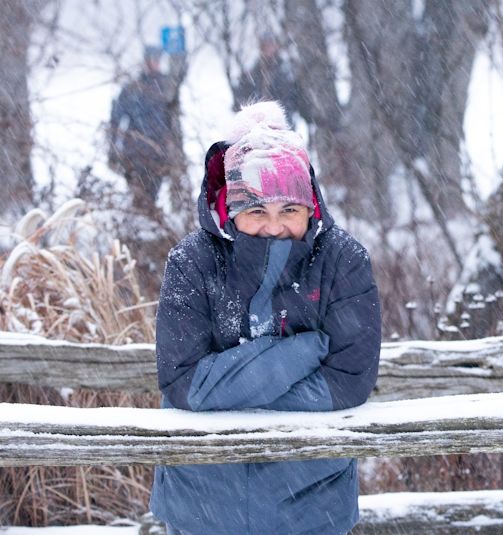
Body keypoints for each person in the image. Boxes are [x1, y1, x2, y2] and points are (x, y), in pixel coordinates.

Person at [149, 100, 381, 535]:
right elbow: (184, 383)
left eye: (289, 210)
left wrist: (229, 390)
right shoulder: (191, 262)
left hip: (314, 501)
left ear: (310, 207)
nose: (274, 227)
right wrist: (303, 352)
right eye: (257, 211)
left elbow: (348, 382)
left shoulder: (343, 260)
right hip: (203, 502)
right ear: (232, 209)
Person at [109, 45, 177, 213]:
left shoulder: (167, 86)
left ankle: (150, 222)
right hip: (135, 152)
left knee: (152, 194)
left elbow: (172, 121)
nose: (154, 63)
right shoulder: (132, 88)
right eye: (152, 59)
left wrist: (172, 149)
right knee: (139, 196)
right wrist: (113, 151)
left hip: (158, 152)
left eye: (157, 59)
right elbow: (116, 119)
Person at [233, 31, 307, 124]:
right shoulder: (254, 71)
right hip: (259, 121)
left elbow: (296, 95)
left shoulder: (286, 70)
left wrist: (305, 114)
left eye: (271, 45)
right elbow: (244, 94)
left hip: (283, 119)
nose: (268, 49)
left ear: (276, 46)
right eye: (265, 46)